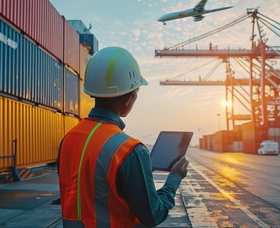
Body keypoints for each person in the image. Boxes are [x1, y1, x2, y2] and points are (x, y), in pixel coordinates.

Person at [58, 46, 189, 227]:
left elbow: (90, 187)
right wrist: (174, 177)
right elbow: (153, 215)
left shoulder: (68, 139)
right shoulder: (130, 150)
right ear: (128, 99)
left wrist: (136, 174)